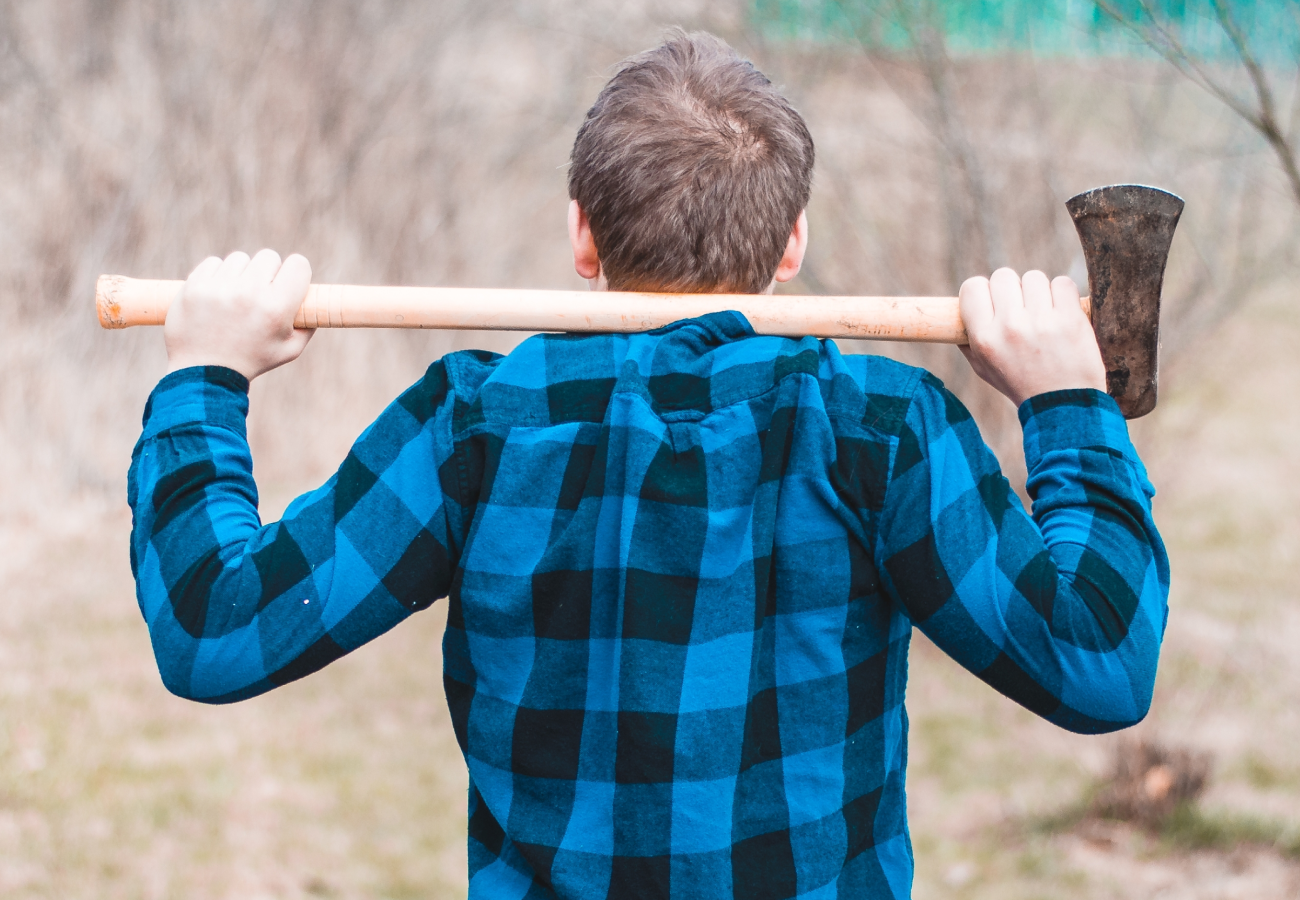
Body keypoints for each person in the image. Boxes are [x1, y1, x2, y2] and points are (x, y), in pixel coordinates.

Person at [128, 31, 1168, 900]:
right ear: (792, 242)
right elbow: (1101, 659)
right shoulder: (881, 430)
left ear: (581, 236)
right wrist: (1066, 409)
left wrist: (204, 378)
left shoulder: (476, 425)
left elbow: (216, 626)